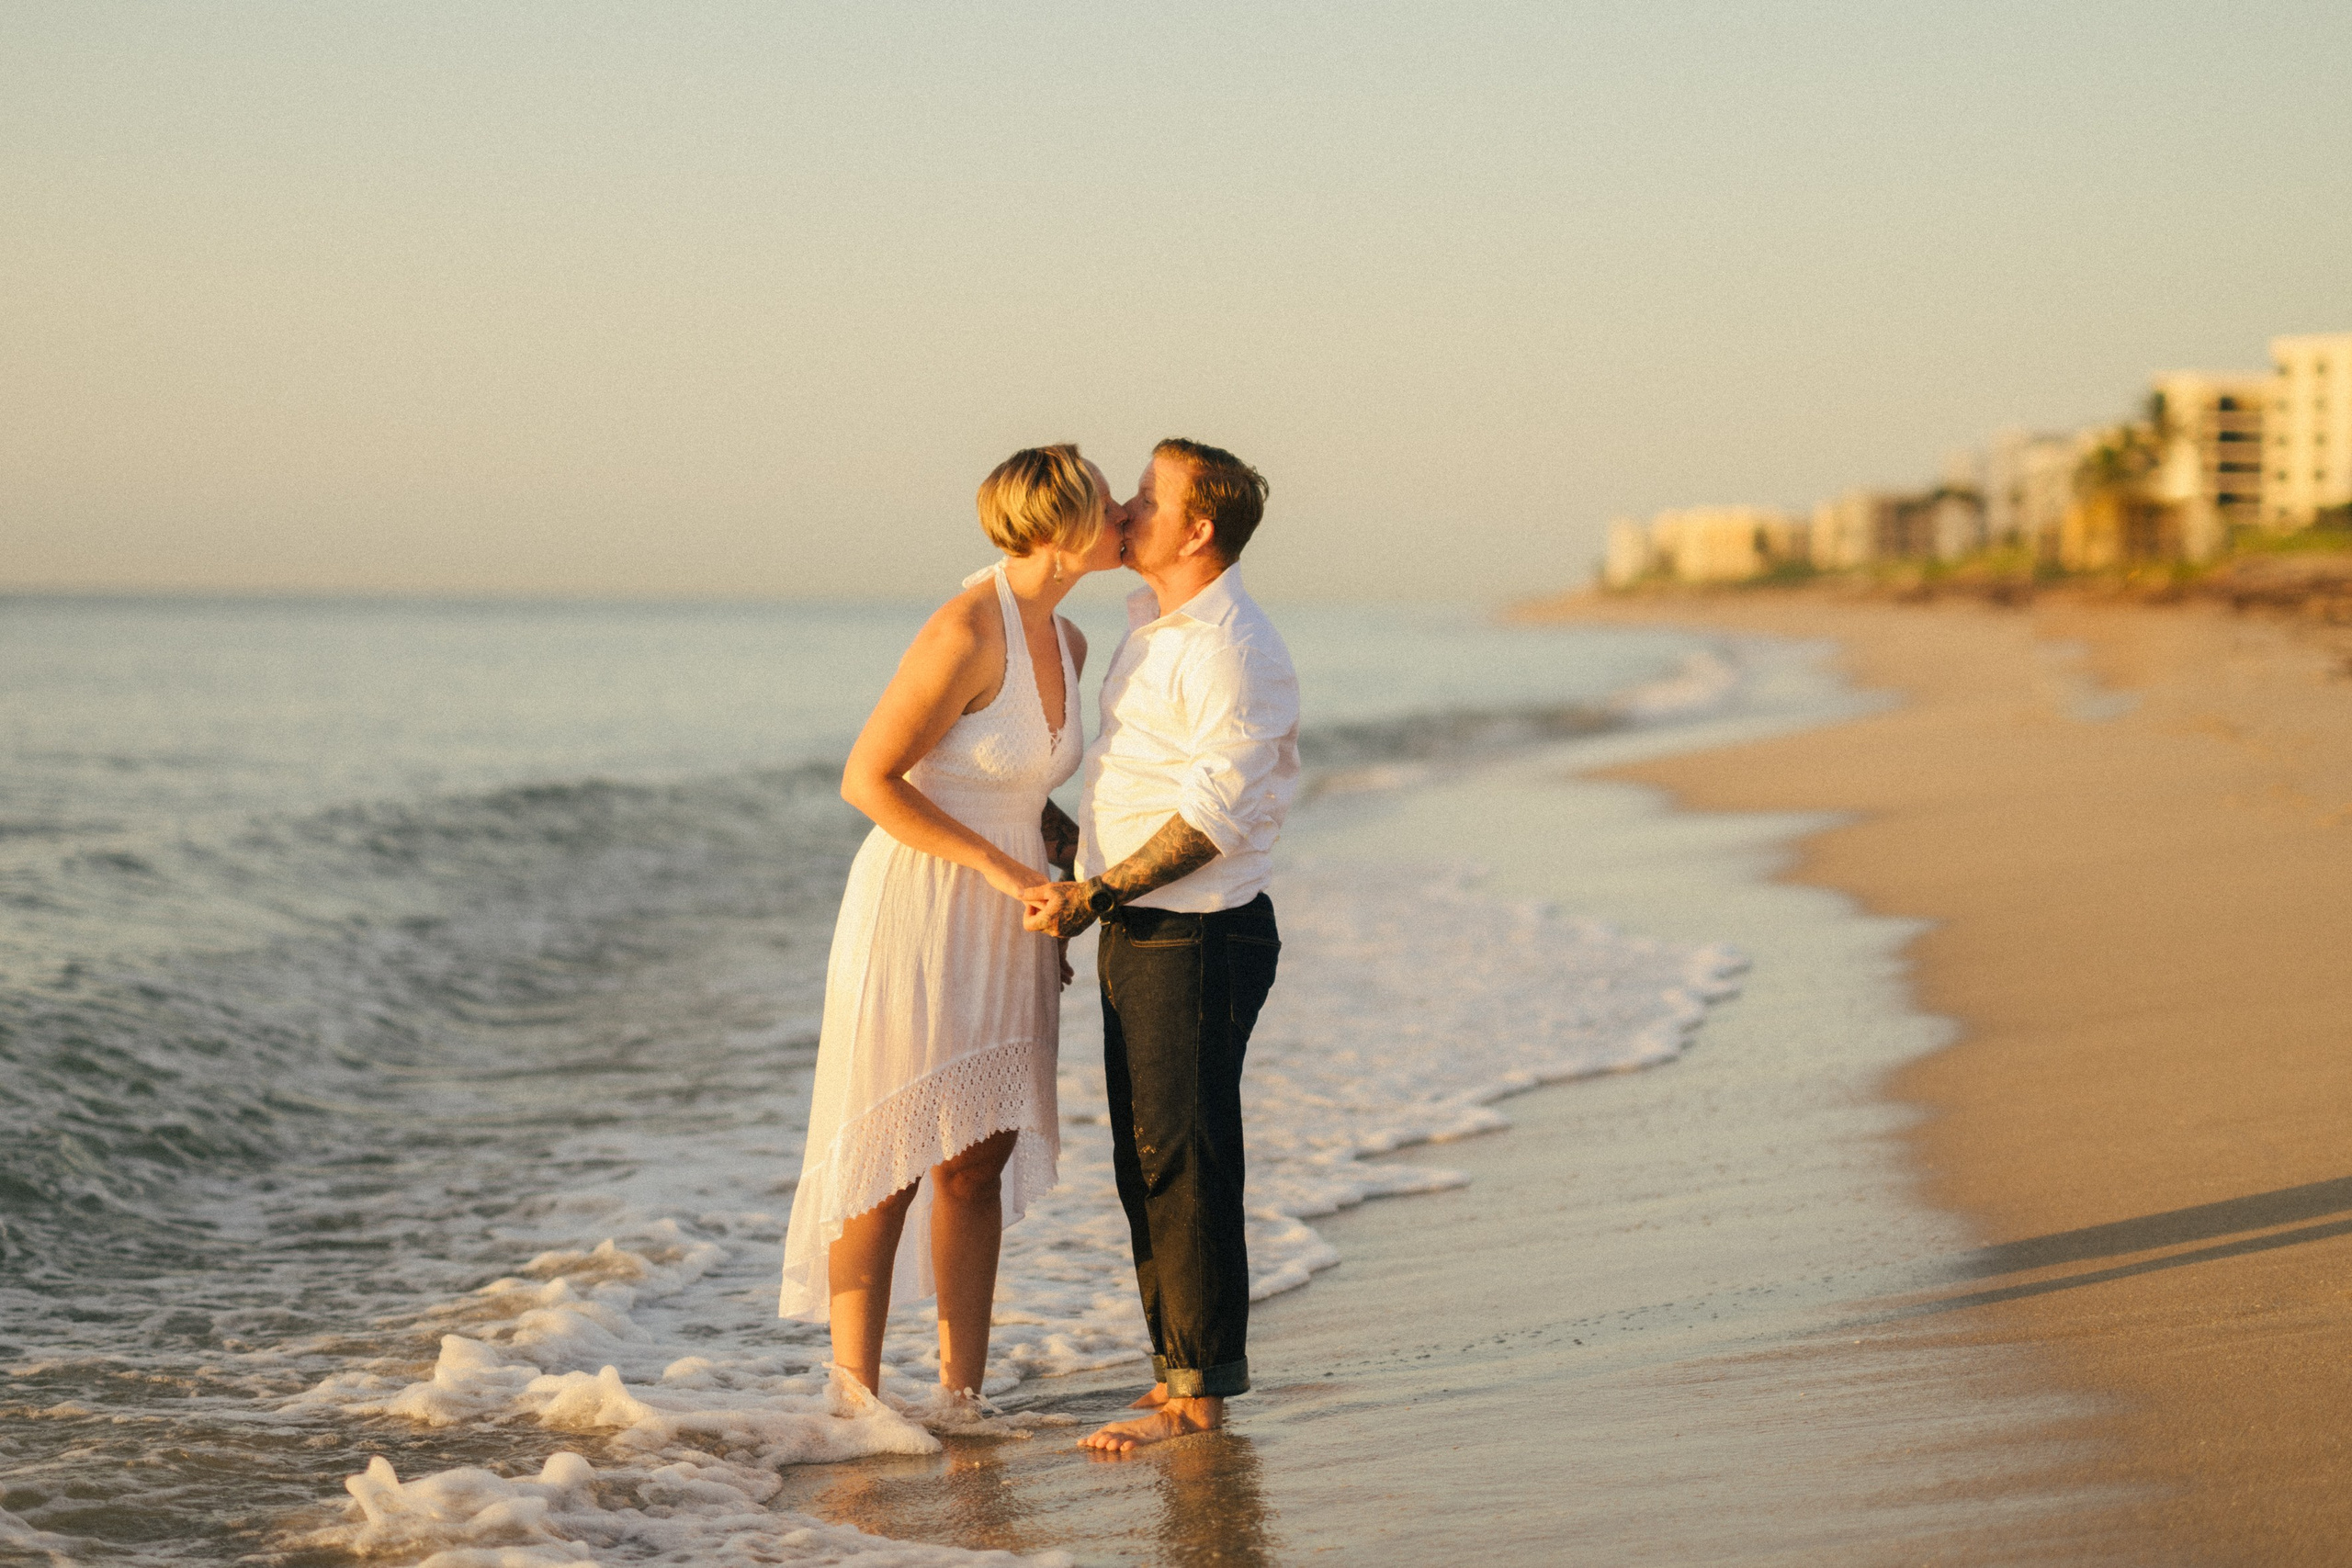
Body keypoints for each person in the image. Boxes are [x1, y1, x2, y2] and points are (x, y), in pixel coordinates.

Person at [778, 444, 1125, 1408]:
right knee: (888, 1153)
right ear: (1060, 527)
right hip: (920, 907)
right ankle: (853, 1405)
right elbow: (868, 781)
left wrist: (1060, 869)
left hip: (1014, 911)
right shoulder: (964, 629)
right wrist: (998, 865)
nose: (1125, 513)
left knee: (978, 1157)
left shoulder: (1069, 640)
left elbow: (1013, 784)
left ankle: (959, 1402)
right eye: (1107, 500)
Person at [1021, 439, 1300, 1451]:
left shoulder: (1229, 643)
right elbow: (1131, 788)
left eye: (1148, 496)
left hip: (1199, 933)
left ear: (1198, 527)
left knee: (1184, 1156)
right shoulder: (1155, 625)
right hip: (1145, 927)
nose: (1127, 509)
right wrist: (1041, 826)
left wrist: (1092, 892)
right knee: (1145, 1158)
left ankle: (1201, 1399)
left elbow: (1211, 819)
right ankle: (1175, 1370)